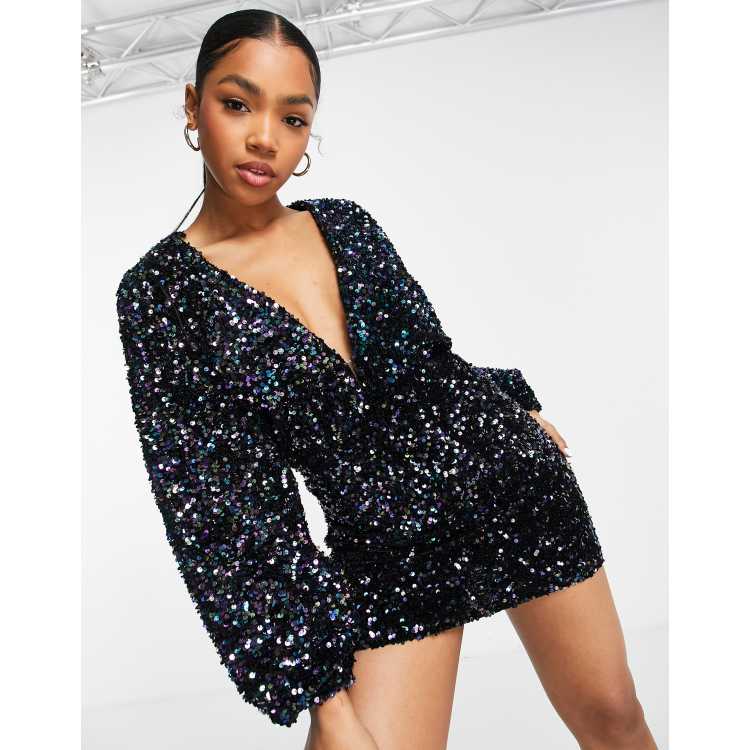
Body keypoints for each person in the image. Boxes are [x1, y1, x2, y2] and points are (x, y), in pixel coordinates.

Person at [115, 9, 658, 749]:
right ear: (192, 104)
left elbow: (429, 362)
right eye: (238, 103)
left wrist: (504, 407)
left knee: (614, 722)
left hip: (511, 486)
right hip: (386, 552)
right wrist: (323, 697)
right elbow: (225, 509)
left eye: (293, 118)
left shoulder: (348, 225)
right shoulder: (164, 295)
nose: (265, 138)